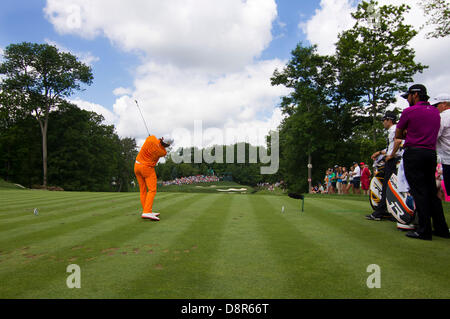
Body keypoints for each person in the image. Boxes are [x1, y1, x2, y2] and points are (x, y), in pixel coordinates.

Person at [393, 84, 449, 240]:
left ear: (415, 95)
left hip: (414, 153)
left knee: (419, 191)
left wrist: (408, 132)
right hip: (430, 153)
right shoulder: (434, 111)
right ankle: (441, 228)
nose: (408, 99)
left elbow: (399, 134)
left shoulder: (409, 111)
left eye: (408, 96)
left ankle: (424, 230)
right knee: (431, 191)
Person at [366, 111, 401, 221]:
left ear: (389, 120)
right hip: (393, 160)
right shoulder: (393, 130)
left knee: (387, 186)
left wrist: (391, 155)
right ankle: (386, 210)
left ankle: (380, 212)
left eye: (384, 121)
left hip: (394, 161)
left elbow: (398, 143)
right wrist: (380, 153)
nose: (383, 123)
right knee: (388, 186)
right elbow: (390, 147)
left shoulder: (394, 130)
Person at [134, 135, 174, 221]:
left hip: (137, 165)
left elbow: (151, 138)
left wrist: (156, 141)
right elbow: (161, 147)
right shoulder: (163, 152)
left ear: (162, 138)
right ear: (167, 145)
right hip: (147, 168)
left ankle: (146, 210)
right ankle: (147, 211)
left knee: (143, 190)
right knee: (152, 190)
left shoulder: (151, 138)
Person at [434, 93, 450, 201]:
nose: (436, 107)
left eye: (437, 105)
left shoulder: (442, 116)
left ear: (444, 104)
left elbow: (434, 136)